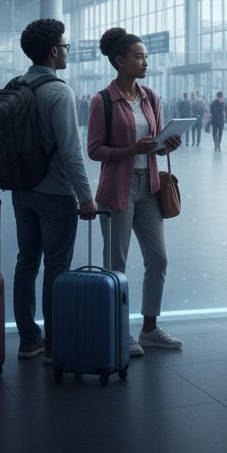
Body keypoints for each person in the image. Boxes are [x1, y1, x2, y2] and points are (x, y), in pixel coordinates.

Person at [0, 18, 96, 363]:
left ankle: (28, 339)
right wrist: (86, 196)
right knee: (57, 267)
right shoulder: (59, 91)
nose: (66, 52)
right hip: (56, 194)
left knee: (26, 262)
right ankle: (54, 342)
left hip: (21, 191)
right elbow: (71, 151)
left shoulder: (15, 86)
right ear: (52, 51)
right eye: (65, 46)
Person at [87, 27, 183, 355]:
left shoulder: (150, 97)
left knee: (159, 259)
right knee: (116, 264)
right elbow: (95, 150)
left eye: (145, 56)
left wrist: (166, 144)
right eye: (138, 56)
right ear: (119, 61)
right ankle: (118, 331)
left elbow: (153, 147)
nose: (145, 62)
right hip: (117, 190)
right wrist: (131, 149)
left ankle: (150, 328)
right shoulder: (102, 101)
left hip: (150, 187)